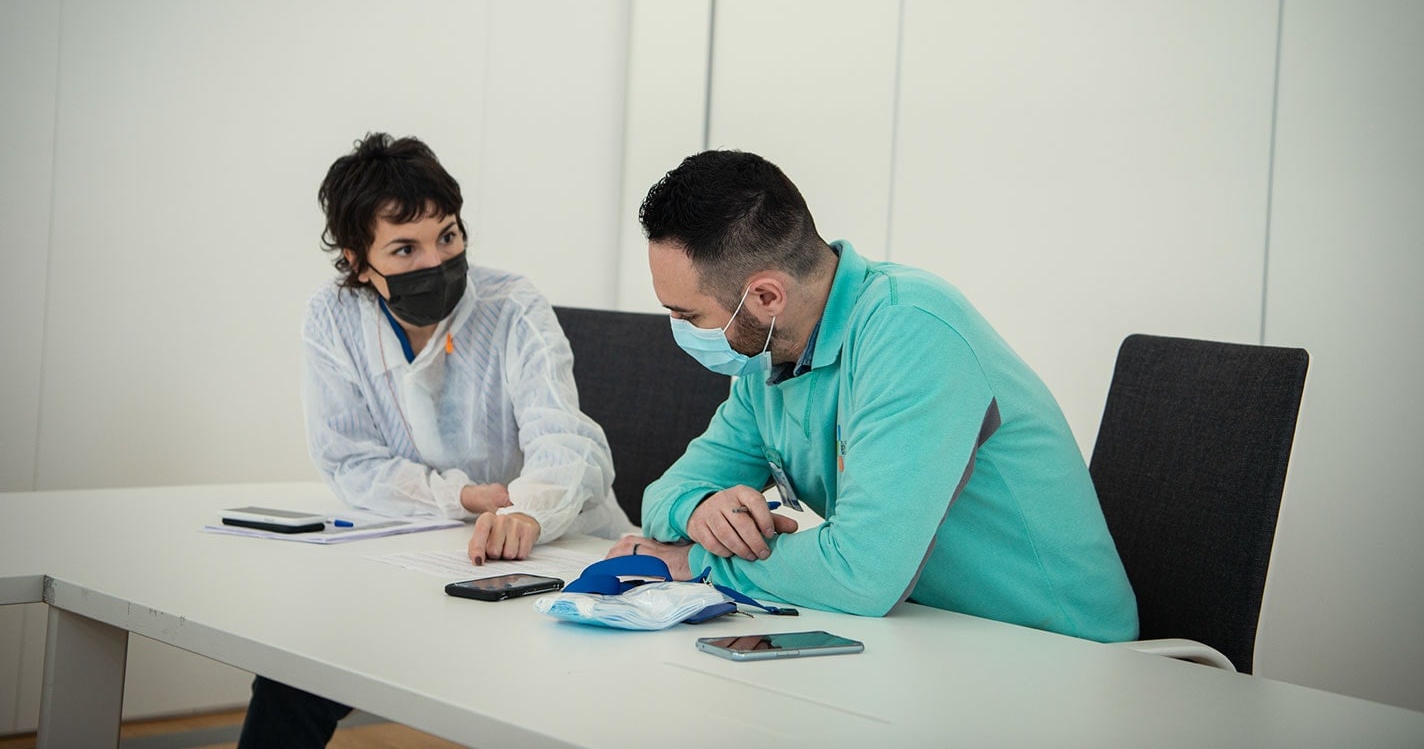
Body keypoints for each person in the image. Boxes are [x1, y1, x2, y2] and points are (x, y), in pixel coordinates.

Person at [607, 149, 1138, 643]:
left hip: (1058, 651)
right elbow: (663, 494)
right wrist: (699, 507)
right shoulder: (768, 358)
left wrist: (694, 561)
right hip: (926, 635)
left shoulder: (910, 330)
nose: (677, 329)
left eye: (687, 314)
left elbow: (861, 573)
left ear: (767, 297)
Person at [237, 133, 630, 748]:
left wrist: (527, 508)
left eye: (447, 235)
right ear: (358, 262)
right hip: (426, 553)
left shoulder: (512, 306)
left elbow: (566, 440)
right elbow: (351, 461)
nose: (435, 261)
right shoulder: (333, 319)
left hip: (554, 552)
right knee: (294, 675)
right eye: (404, 248)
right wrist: (465, 496)